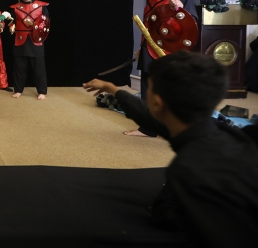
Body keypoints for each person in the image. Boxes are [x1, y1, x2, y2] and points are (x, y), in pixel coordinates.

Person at [83, 51, 258, 248]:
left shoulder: (191, 169)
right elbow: (150, 117)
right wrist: (112, 89)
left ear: (156, 102)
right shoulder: (217, 131)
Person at [130, 0, 198, 137]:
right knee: (148, 87)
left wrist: (180, 9)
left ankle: (175, 126)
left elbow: (192, 22)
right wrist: (142, 47)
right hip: (150, 46)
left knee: (171, 88)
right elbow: (149, 25)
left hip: (170, 48)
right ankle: (148, 127)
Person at [7, 0, 49, 100]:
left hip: (35, 40)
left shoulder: (41, 6)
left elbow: (46, 23)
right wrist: (11, 26)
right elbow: (11, 21)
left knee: (39, 68)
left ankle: (42, 91)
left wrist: (37, 27)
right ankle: (18, 90)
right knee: (19, 67)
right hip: (20, 39)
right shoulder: (15, 7)